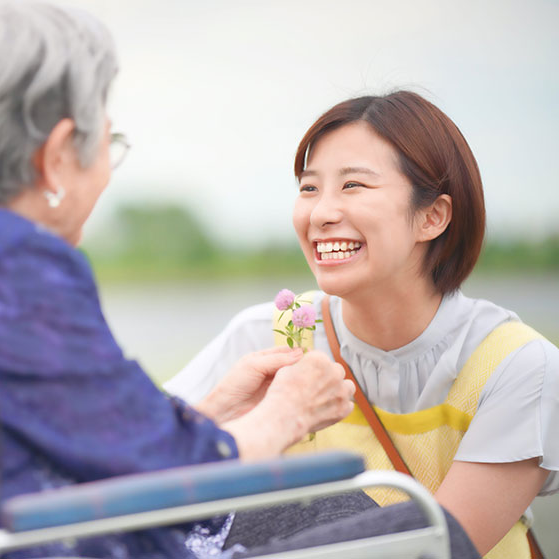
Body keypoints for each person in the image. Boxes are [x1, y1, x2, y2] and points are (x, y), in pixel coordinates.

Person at [0, 4, 478, 558]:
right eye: (108, 145)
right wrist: (290, 410)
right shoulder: (15, 268)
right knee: (427, 527)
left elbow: (66, 438)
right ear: (54, 157)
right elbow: (162, 476)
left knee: (324, 502)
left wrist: (212, 409)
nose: (107, 169)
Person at [165, 91, 559, 558]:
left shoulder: (517, 367)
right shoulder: (265, 335)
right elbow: (125, 477)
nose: (321, 212)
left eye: (353, 186)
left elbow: (434, 548)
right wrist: (217, 416)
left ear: (433, 216)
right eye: (309, 188)